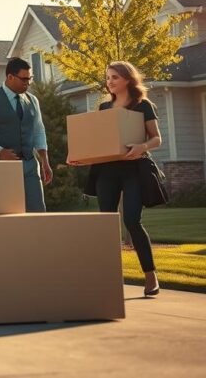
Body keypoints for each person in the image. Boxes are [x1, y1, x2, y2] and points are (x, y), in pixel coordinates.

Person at [69, 61, 162, 296]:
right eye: (108, 78)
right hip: (107, 172)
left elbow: (157, 139)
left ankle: (151, 276)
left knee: (132, 221)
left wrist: (141, 146)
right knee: (107, 224)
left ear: (128, 79)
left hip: (134, 170)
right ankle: (109, 278)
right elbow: (100, 144)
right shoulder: (103, 108)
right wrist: (81, 158)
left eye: (114, 78)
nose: (109, 82)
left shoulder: (143, 106)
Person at [0, 57, 53, 212]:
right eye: (24, 79)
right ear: (10, 77)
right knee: (5, 213)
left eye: (30, 79)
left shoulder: (32, 100)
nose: (28, 83)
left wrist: (44, 160)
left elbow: (38, 130)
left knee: (37, 211)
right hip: (0, 166)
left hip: (30, 164)